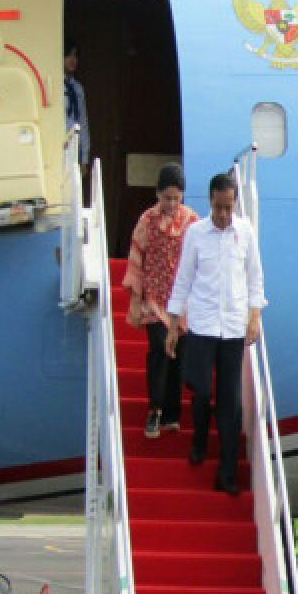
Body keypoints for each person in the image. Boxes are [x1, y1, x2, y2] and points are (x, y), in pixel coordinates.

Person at [166, 172, 266, 496]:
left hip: (234, 327)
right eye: (218, 207)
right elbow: (182, 280)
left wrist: (255, 317)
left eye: (228, 207)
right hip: (202, 325)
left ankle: (227, 472)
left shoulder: (246, 233)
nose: (223, 214)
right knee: (201, 389)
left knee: (230, 402)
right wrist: (172, 324)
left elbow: (255, 279)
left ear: (235, 203)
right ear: (210, 202)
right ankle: (198, 439)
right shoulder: (195, 234)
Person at [122, 163, 198, 438]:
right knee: (158, 351)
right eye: (166, 198)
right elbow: (136, 259)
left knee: (179, 355)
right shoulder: (146, 221)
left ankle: (172, 415)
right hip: (154, 300)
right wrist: (135, 298)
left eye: (176, 198)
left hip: (183, 302)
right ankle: (154, 410)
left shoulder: (192, 222)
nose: (171, 203)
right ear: (157, 195)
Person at [63, 39, 89, 175]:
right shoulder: (56, 86)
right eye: (68, 55)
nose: (73, 60)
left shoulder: (78, 88)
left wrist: (84, 157)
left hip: (74, 148)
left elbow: (83, 122)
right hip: (59, 148)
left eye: (75, 55)